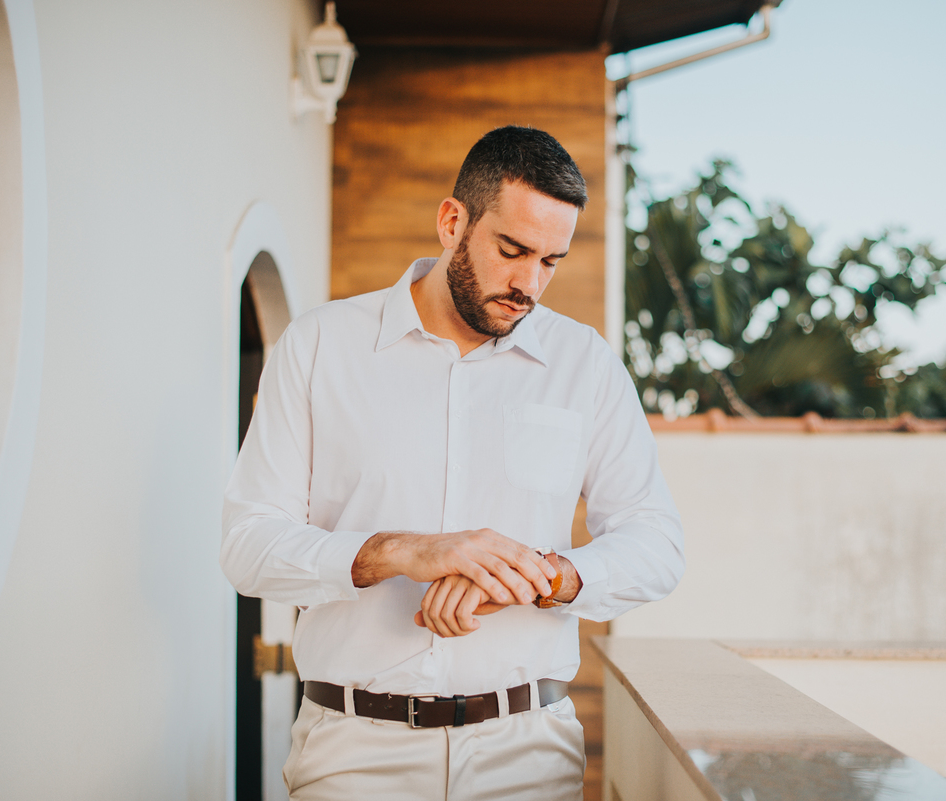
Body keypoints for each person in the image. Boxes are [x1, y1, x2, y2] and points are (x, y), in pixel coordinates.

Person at [221, 125, 684, 800]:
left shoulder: (585, 366)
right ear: (451, 221)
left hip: (526, 753)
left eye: (550, 260)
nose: (529, 284)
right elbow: (247, 544)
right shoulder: (318, 347)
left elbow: (658, 543)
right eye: (512, 249)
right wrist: (401, 551)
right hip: (353, 754)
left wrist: (538, 576)